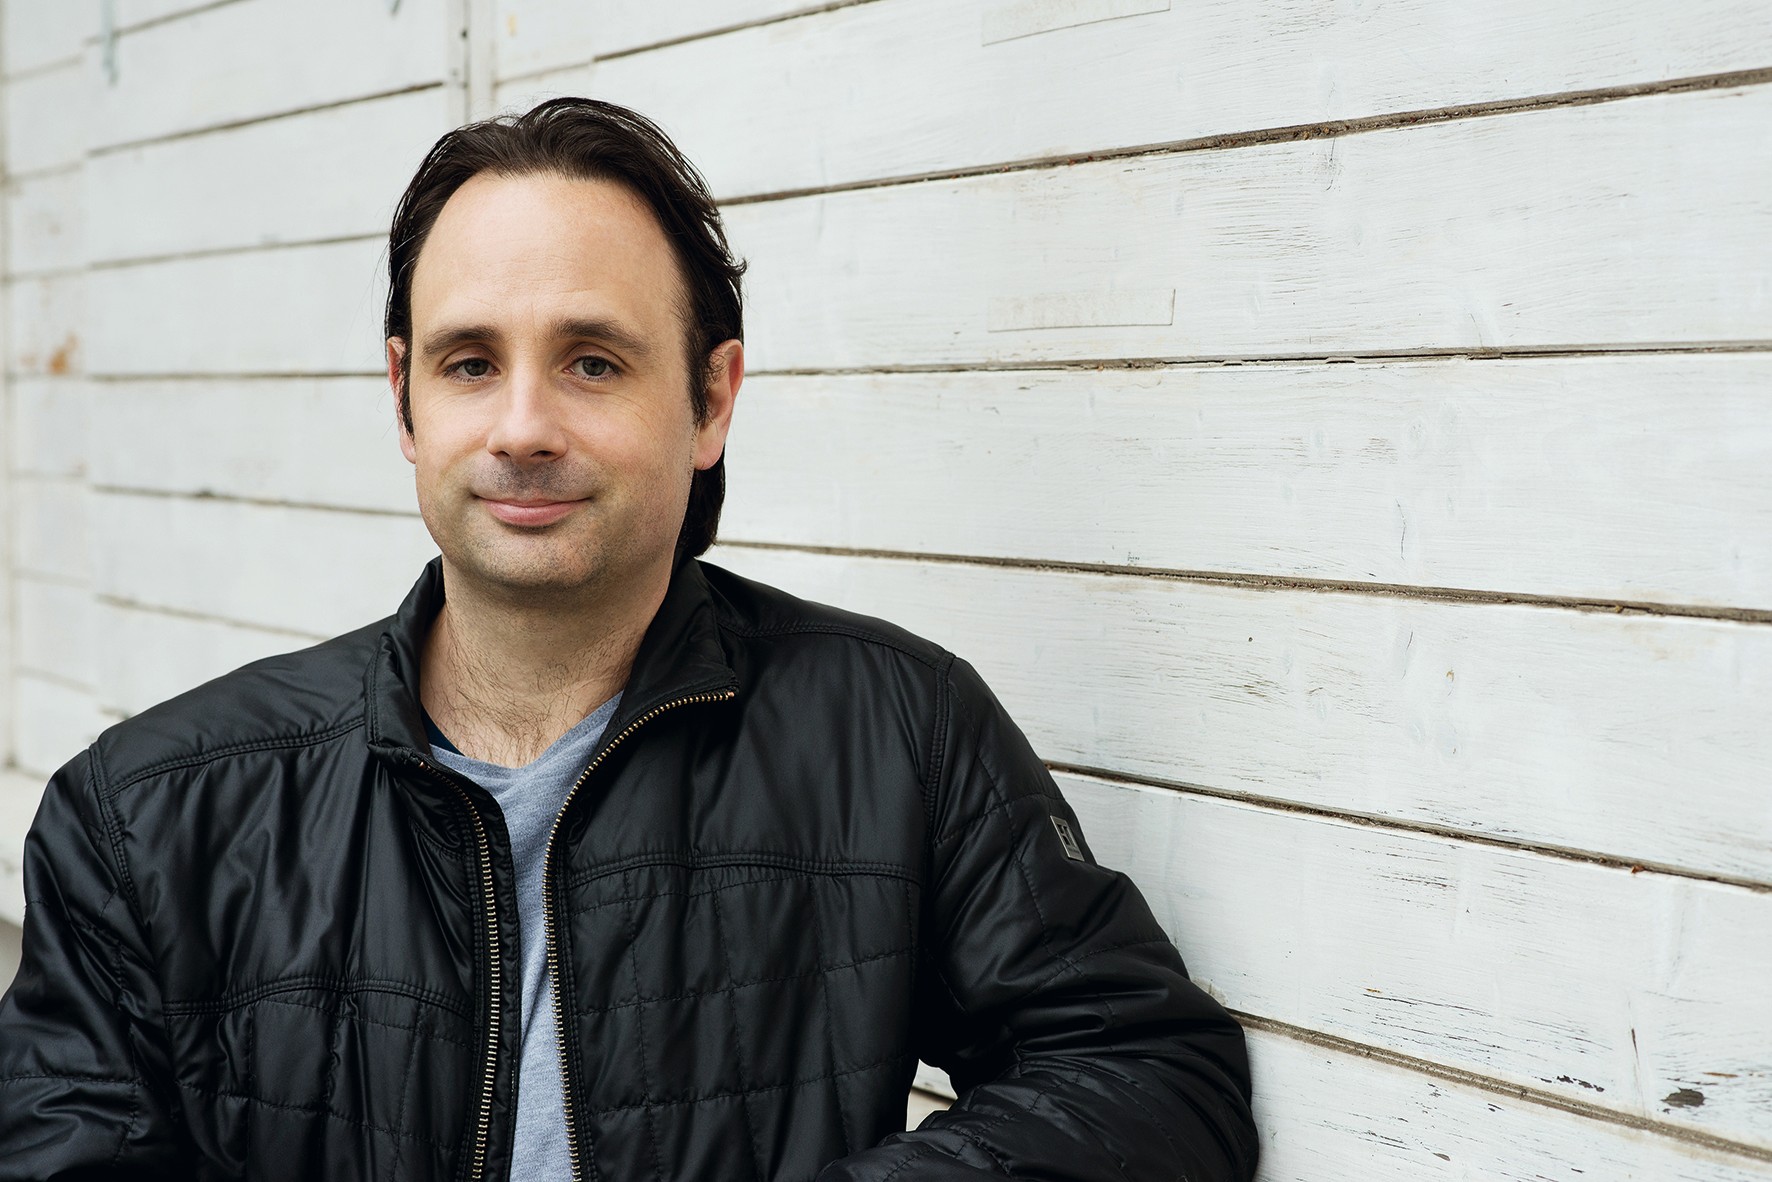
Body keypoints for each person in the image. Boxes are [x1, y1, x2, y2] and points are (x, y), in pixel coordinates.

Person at [0, 99, 1257, 1181]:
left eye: (592, 363)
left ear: (710, 399)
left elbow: (1147, 1075)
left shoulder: (895, 735)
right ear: (404, 401)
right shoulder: (148, 814)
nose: (522, 427)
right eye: (469, 363)